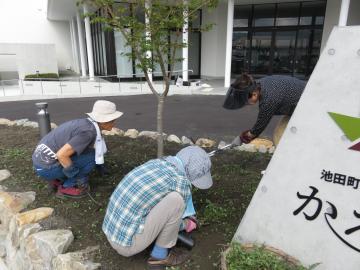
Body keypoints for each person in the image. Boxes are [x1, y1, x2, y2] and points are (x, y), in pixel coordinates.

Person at [102, 145, 213, 267]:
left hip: (111, 231)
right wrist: (187, 224)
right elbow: (174, 222)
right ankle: (159, 257)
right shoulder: (180, 182)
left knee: (164, 201)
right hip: (127, 245)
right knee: (177, 201)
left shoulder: (157, 163)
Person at [32, 100, 123, 198]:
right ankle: (66, 187)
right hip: (46, 168)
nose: (114, 123)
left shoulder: (84, 123)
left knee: (87, 153)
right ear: (104, 121)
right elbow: (61, 155)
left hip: (40, 161)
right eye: (113, 120)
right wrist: (78, 177)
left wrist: (100, 166)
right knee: (92, 157)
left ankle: (57, 179)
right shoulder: (88, 132)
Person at [223, 73, 306, 145]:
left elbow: (258, 127)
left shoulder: (268, 100)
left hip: (309, 106)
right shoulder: (259, 83)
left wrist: (241, 139)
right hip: (299, 103)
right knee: (280, 132)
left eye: (245, 100)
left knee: (280, 137)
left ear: (254, 94)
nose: (245, 104)